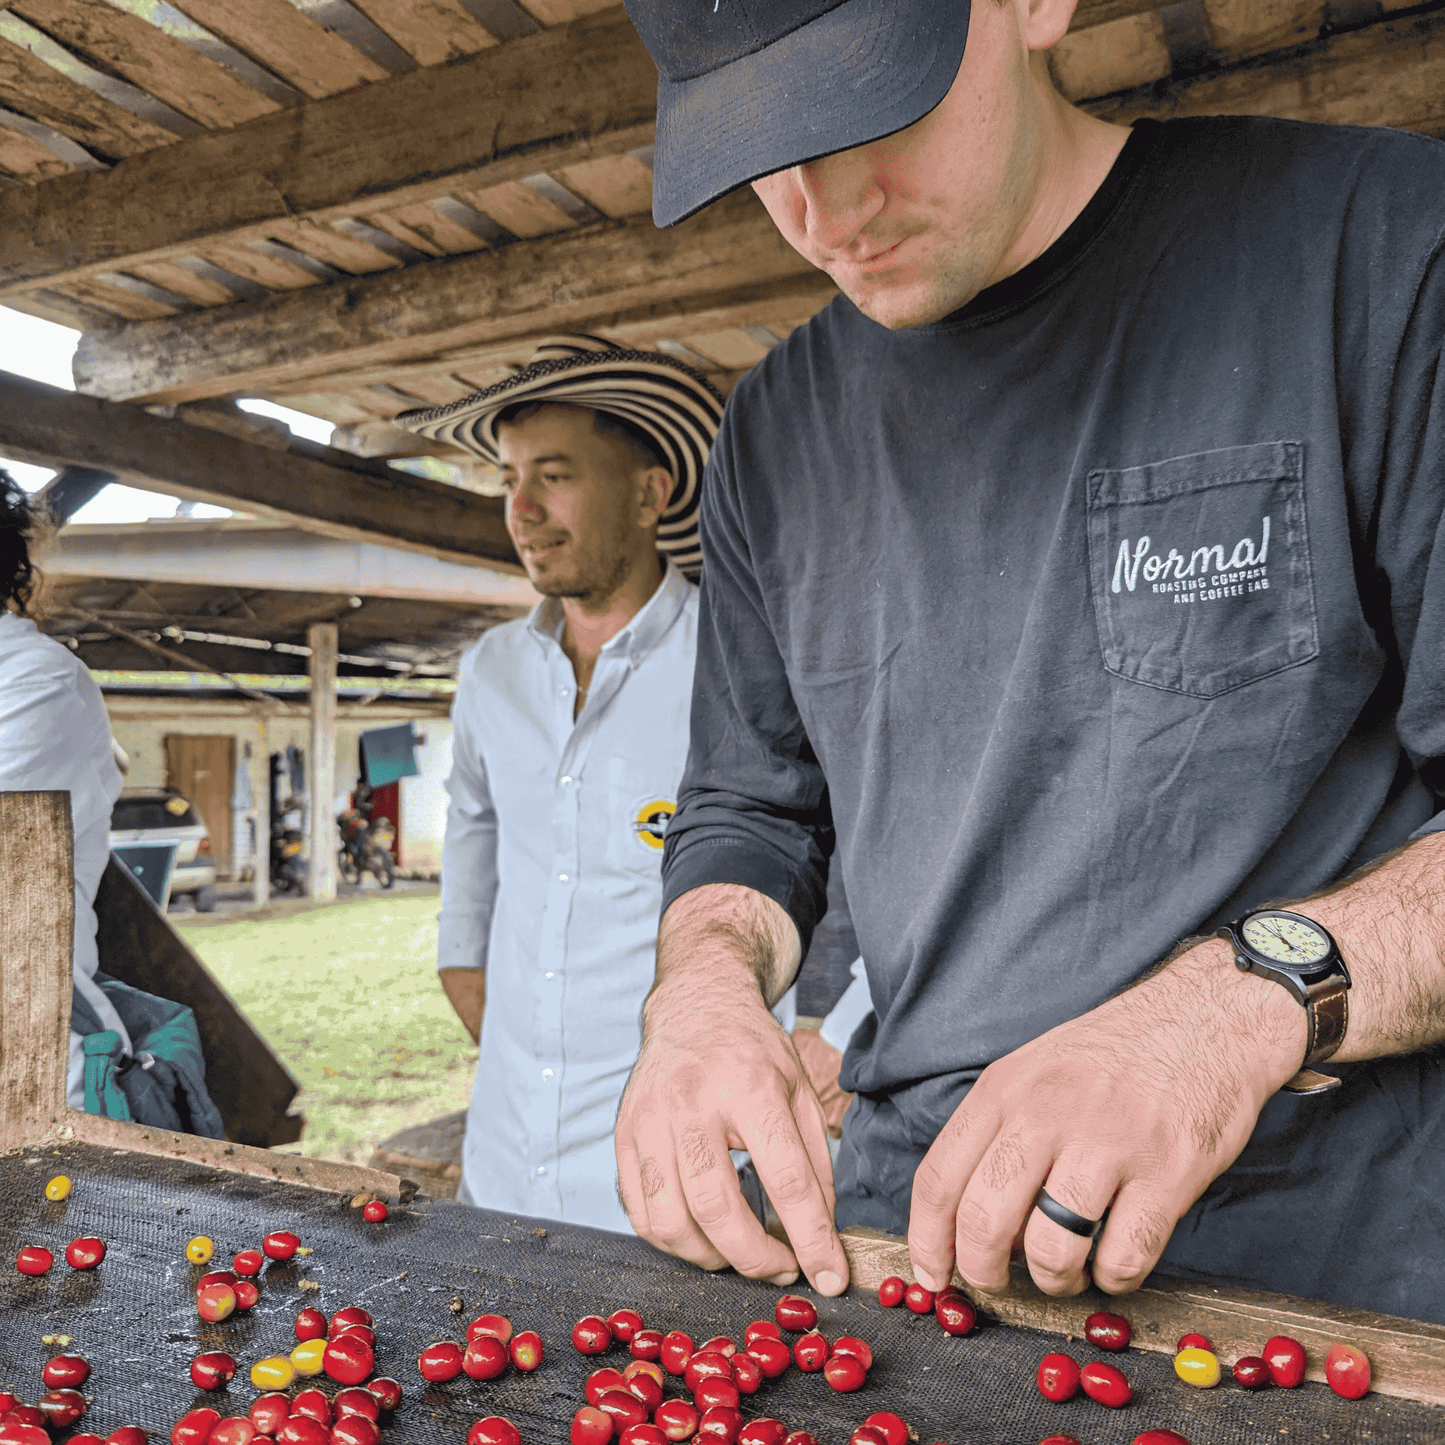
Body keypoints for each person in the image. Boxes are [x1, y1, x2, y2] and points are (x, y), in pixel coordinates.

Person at [613, 0, 1445, 1323]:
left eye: (866, 111)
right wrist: (702, 993)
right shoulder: (772, 433)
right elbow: (749, 810)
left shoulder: (1384, 251)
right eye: (763, 152)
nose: (824, 215)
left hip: (1316, 1282)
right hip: (917, 1249)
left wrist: (1233, 1005)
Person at [403, 337, 855, 1228]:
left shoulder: (737, 659)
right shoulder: (491, 671)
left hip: (693, 1168)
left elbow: (866, 848)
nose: (522, 509)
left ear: (651, 493)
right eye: (509, 480)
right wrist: (519, 1050)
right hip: (502, 1156)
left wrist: (835, 1034)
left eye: (555, 475)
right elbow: (471, 873)